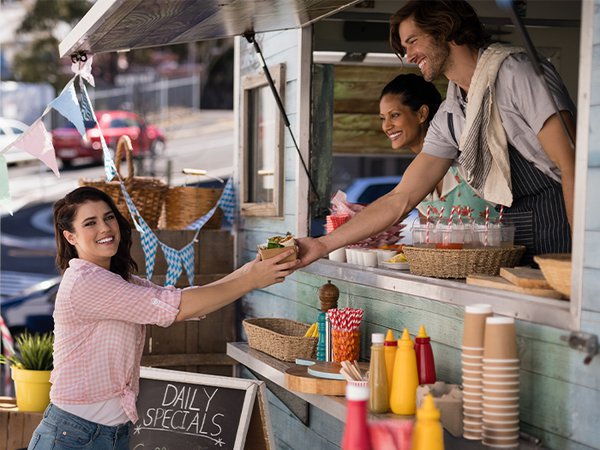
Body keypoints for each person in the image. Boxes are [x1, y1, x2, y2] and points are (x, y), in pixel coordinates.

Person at [299, 0, 575, 266]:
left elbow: (572, 166)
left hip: (562, 222)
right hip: (516, 231)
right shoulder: (451, 114)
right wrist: (323, 244)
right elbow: (401, 198)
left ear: (445, 29)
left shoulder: (518, 73)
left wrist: (583, 259)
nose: (409, 56)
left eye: (412, 42)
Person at [27, 186, 298, 450]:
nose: (105, 228)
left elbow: (180, 298)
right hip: (73, 437)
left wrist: (250, 271)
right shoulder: (86, 282)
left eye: (109, 217)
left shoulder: (117, 280)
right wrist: (251, 280)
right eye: (90, 223)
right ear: (70, 237)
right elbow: (176, 307)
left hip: (113, 434)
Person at [379, 73, 498, 222]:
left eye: (395, 115)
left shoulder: (466, 158)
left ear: (422, 114)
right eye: (383, 118)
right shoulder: (415, 177)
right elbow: (427, 241)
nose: (386, 126)